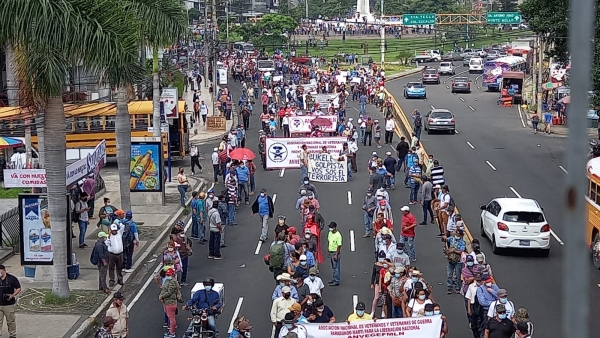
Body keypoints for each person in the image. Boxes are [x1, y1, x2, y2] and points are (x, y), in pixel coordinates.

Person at [0, 264, 21, 337]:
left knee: (10, 321)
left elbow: (18, 288)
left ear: (3, 270)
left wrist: (12, 295)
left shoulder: (12, 279)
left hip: (9, 304)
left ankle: (12, 334)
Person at [159, 268, 180, 338]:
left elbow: (169, 292)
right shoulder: (168, 280)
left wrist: (162, 296)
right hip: (167, 301)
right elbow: (164, 289)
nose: (168, 276)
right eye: (167, 274)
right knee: (170, 317)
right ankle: (171, 330)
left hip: (170, 302)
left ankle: (172, 333)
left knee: (171, 318)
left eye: (169, 274)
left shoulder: (173, 282)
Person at [106, 221, 125, 287]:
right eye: (113, 230)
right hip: (112, 254)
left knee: (119, 267)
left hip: (120, 254)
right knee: (111, 268)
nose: (114, 231)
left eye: (115, 230)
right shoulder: (109, 236)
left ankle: (120, 279)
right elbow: (107, 244)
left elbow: (123, 226)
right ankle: (112, 280)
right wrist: (108, 237)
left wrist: (118, 222)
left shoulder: (119, 233)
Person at [327, 222, 342, 286]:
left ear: (334, 228)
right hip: (331, 252)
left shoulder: (338, 235)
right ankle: (334, 279)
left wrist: (336, 254)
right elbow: (329, 242)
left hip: (335, 252)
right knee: (333, 267)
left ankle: (336, 281)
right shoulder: (330, 233)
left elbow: (339, 246)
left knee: (336, 267)